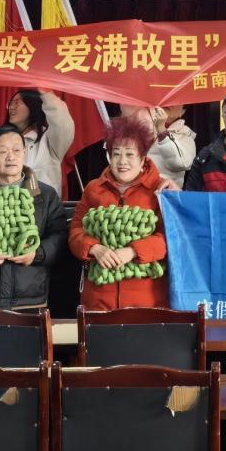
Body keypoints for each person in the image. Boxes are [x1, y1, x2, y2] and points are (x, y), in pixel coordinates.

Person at [0, 125, 69, 311]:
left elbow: (60, 236)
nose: (10, 157)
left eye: (16, 150)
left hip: (30, 299)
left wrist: (37, 254)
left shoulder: (46, 196)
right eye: (2, 151)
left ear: (24, 153)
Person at [69, 116, 169, 310]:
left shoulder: (160, 190)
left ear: (142, 159)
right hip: (98, 298)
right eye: (116, 154)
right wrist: (94, 248)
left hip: (146, 299)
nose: (122, 161)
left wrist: (132, 251)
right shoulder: (93, 189)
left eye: (130, 154)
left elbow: (170, 239)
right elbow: (75, 232)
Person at [5, 89, 75, 195]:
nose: (11, 107)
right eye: (11, 103)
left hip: (43, 204)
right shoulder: (2, 140)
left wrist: (46, 93)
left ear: (33, 105)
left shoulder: (49, 141)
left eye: (17, 102)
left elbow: (63, 124)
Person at [121, 102, 197, 187]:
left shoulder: (185, 135)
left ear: (182, 112)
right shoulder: (140, 125)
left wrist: (162, 131)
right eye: (165, 100)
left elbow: (182, 163)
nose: (168, 103)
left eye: (174, 101)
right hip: (134, 188)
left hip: (163, 190)